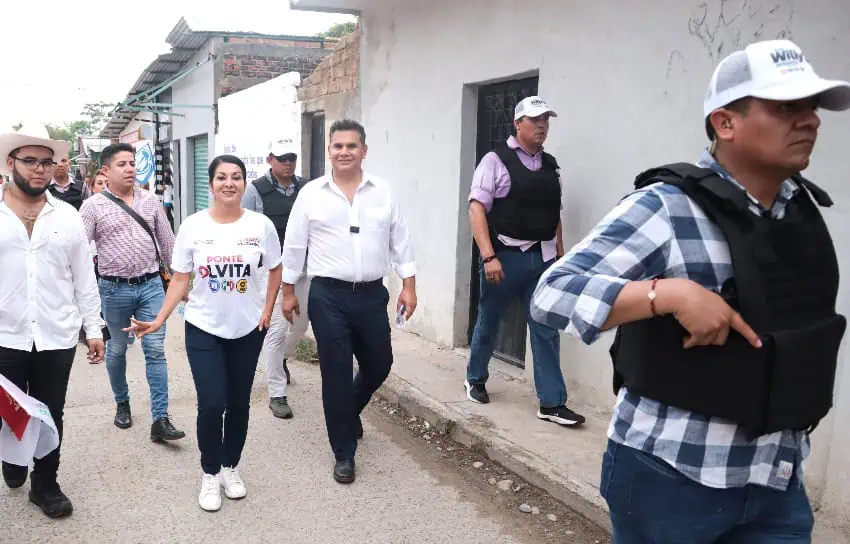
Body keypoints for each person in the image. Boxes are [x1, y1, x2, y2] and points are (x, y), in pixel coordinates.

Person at [530, 39, 850, 542]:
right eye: (787, 107)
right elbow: (552, 292)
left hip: (776, 479)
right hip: (673, 479)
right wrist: (667, 295)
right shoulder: (668, 207)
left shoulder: (801, 211)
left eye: (811, 107)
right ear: (725, 123)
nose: (809, 120)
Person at [127, 155, 281, 512]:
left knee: (238, 403)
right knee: (213, 403)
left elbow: (275, 269)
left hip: (247, 329)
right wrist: (160, 319)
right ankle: (210, 472)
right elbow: (180, 278)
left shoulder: (260, 226)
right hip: (204, 327)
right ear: (211, 184)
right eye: (222, 177)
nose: (230, 183)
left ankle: (231, 467)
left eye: (237, 177)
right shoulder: (193, 226)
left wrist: (267, 308)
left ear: (245, 184)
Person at [282, 119, 417, 484]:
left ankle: (348, 411)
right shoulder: (311, 193)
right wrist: (289, 291)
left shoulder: (383, 192)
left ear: (364, 151)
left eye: (351, 146)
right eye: (337, 146)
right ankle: (344, 452)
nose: (344, 152)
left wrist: (409, 284)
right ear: (329, 151)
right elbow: (294, 246)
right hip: (329, 296)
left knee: (379, 363)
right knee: (336, 373)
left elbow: (400, 240)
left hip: (373, 294)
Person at [0, 121, 105, 518]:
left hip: (56, 334)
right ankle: (12, 459)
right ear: (12, 163)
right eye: (31, 161)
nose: (40, 169)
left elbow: (83, 276)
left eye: (47, 162)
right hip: (4, 333)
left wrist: (93, 328)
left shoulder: (68, 217)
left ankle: (45, 485)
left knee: (49, 412)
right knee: (7, 410)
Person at [465, 95, 584, 427]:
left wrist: (560, 256)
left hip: (542, 259)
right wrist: (488, 256)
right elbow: (476, 209)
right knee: (490, 320)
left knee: (546, 329)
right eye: (535, 119)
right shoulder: (495, 161)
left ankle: (552, 402)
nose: (542, 125)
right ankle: (475, 377)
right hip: (504, 257)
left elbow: (554, 214)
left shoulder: (551, 166)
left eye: (545, 119)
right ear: (518, 124)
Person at [79, 143, 185, 442]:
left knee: (155, 350)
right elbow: (77, 250)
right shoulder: (92, 207)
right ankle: (122, 402)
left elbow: (168, 244)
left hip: (151, 286)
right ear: (106, 171)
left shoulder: (151, 202)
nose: (129, 169)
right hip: (112, 290)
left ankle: (161, 418)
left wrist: (180, 281)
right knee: (117, 349)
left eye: (132, 163)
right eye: (122, 164)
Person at [242, 146, 309, 419]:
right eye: (282, 159)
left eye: (292, 158)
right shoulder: (255, 190)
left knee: (301, 325)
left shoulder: (306, 189)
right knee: (277, 329)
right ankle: (277, 393)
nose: (288, 164)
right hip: (271, 269)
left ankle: (280, 360)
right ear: (270, 159)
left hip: (303, 268)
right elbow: (245, 228)